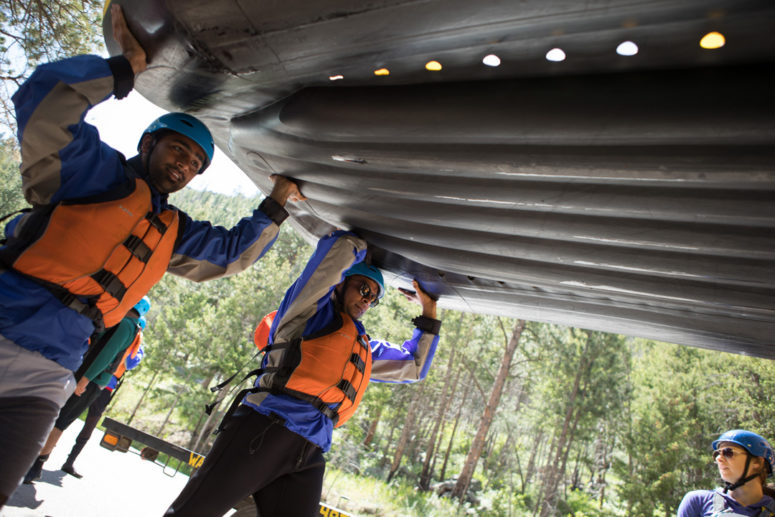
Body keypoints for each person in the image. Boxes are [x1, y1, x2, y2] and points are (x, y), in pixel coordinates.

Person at [0, 4, 304, 506]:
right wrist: (122, 69)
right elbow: (44, 100)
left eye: (194, 163)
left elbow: (229, 254)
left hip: (52, 369)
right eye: (177, 150)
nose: (184, 165)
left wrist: (275, 206)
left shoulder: (173, 230)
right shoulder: (92, 173)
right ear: (149, 143)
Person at [165, 230, 441, 516]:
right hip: (265, 429)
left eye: (374, 298)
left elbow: (413, 366)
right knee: (194, 511)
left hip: (308, 449)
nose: (367, 300)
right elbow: (329, 263)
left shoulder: (363, 347)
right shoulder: (306, 315)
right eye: (363, 289)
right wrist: (363, 243)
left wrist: (429, 310)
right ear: (341, 283)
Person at [22, 297, 149, 483]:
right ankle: (37, 463)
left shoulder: (125, 325)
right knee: (60, 419)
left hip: (90, 379)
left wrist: (84, 380)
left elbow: (106, 354)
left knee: (60, 420)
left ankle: (36, 465)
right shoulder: (131, 326)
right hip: (94, 379)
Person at [61, 316, 146, 479]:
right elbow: (131, 363)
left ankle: (54, 456)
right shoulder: (136, 342)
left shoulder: (120, 330)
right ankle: (68, 461)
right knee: (87, 422)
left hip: (96, 380)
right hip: (104, 384)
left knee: (69, 415)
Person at [678, 429, 775, 516]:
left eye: (728, 452)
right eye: (717, 453)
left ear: (757, 462)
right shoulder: (698, 502)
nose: (719, 458)